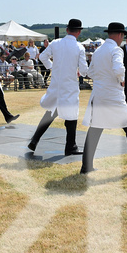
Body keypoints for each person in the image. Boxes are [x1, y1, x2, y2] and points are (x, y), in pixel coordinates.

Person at [80, 22, 127, 174]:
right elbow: (118, 68)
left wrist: (103, 79)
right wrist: (121, 78)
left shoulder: (98, 51)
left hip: (99, 94)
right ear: (120, 35)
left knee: (95, 129)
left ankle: (86, 166)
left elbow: (90, 72)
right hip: (113, 96)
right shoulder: (116, 50)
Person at [28, 19, 88, 155]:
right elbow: (84, 70)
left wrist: (52, 67)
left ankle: (35, 139)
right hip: (70, 85)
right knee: (71, 115)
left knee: (51, 111)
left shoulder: (55, 43)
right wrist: (83, 72)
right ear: (79, 32)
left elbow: (42, 56)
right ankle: (70, 146)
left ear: (67, 30)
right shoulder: (79, 47)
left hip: (56, 84)